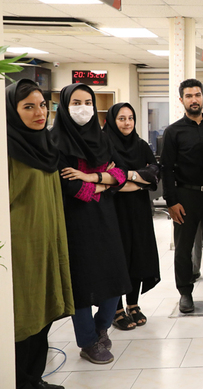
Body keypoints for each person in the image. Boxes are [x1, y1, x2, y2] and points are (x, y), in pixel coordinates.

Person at [53, 83, 131, 364]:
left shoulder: (102, 138)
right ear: (65, 106)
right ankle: (88, 341)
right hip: (75, 221)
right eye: (76, 103)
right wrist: (104, 181)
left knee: (115, 275)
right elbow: (70, 187)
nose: (83, 108)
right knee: (83, 282)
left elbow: (121, 173)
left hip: (106, 218)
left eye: (88, 102)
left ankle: (102, 327)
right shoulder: (56, 142)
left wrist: (91, 178)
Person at [8, 79, 74, 389]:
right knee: (24, 315)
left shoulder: (46, 145)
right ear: (11, 111)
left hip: (49, 241)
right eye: (29, 107)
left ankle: (34, 379)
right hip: (20, 249)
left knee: (44, 313)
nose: (39, 113)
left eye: (43, 105)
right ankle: (18, 381)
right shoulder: (7, 150)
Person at [161, 79, 203, 313]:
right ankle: (185, 292)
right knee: (184, 248)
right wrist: (171, 202)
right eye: (189, 96)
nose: (194, 99)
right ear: (181, 99)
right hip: (185, 195)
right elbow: (166, 169)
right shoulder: (173, 131)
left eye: (197, 95)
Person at [104, 103, 161, 329]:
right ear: (112, 121)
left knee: (137, 254)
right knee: (117, 257)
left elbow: (154, 173)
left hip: (138, 210)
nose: (127, 123)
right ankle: (116, 308)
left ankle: (133, 304)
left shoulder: (140, 145)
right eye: (121, 118)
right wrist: (139, 180)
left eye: (130, 118)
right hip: (113, 210)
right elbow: (108, 182)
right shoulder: (104, 145)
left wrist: (125, 176)